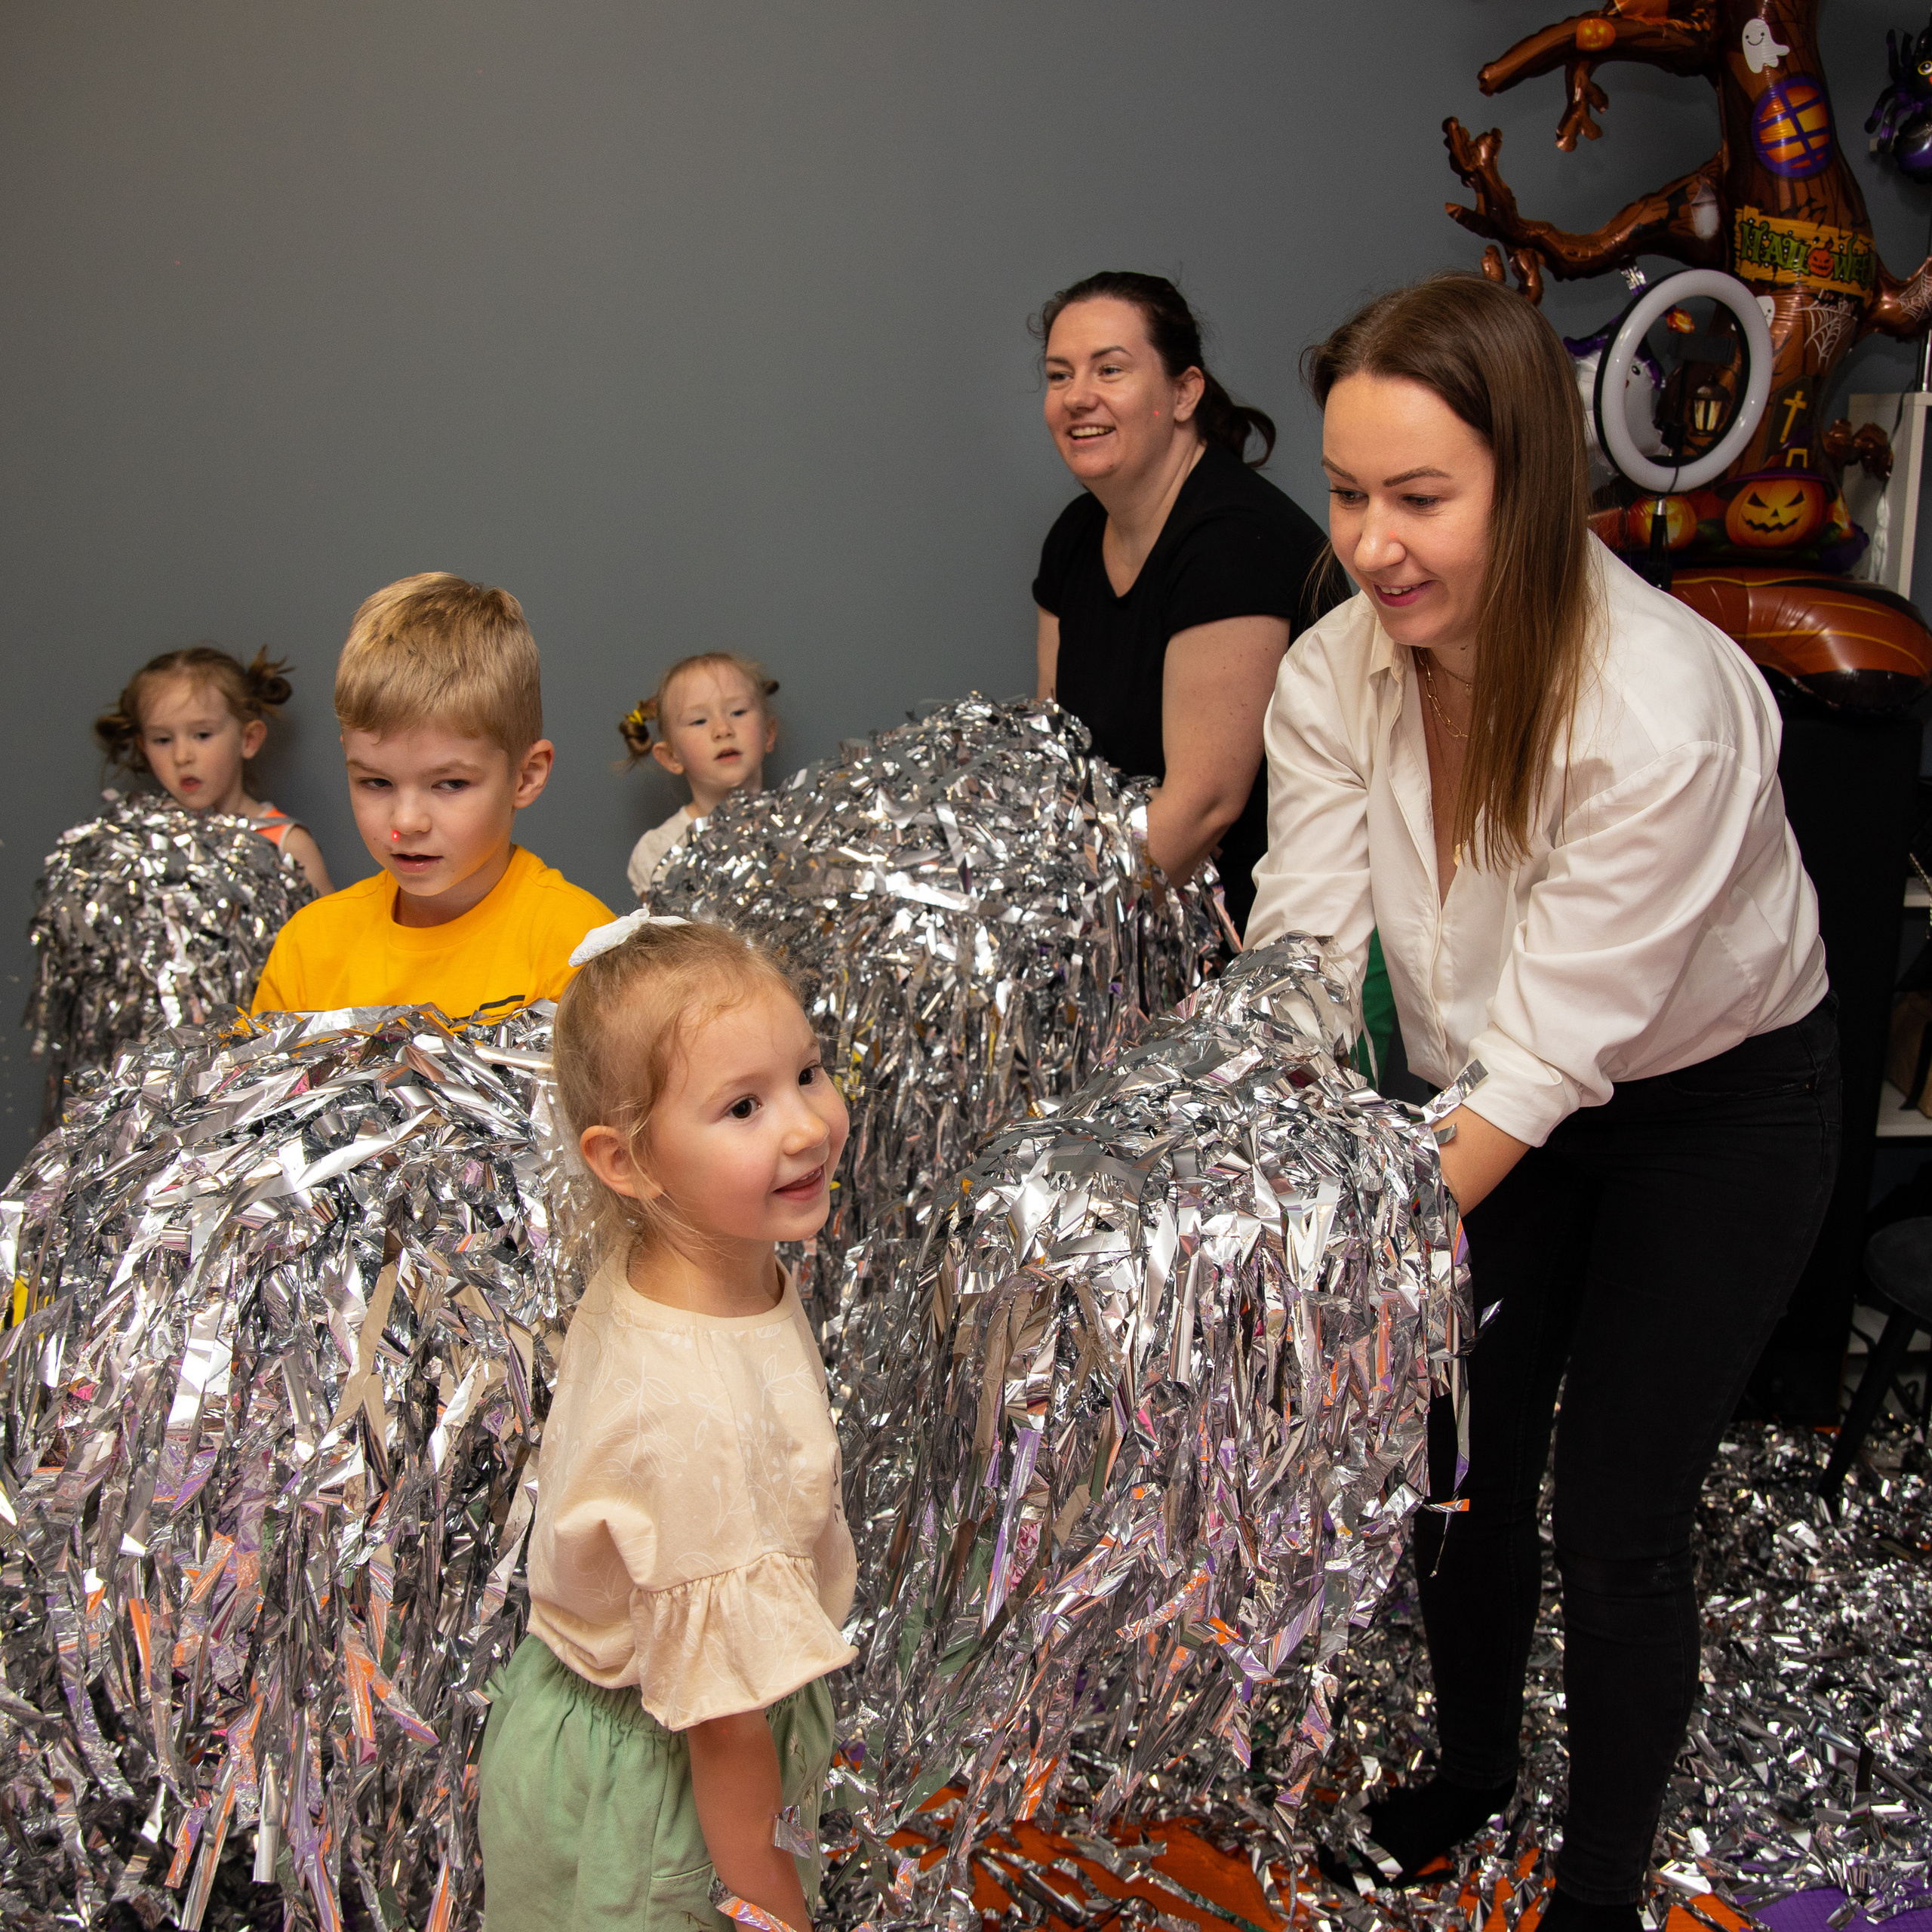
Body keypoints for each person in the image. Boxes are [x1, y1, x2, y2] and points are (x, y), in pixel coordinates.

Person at [1247, 274, 1838, 1930]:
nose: (1372, 545)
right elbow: (1305, 957)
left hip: (1709, 1109)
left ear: (1528, 479)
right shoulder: (1333, 672)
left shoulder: (1660, 709)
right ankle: (1470, 1772)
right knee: (1458, 1460)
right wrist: (1255, 1159)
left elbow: (1546, 1058)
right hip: (1485, 1093)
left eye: (1420, 497)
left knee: (1617, 1506)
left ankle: (1594, 1887)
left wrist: (1316, 1259)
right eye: (1347, 493)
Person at [478, 912, 854, 1932]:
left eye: (808, 1073)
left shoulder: (705, 1258)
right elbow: (725, 1733)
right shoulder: (690, 1408)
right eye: (743, 1106)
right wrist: (779, 1914)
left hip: (691, 1730)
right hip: (668, 1785)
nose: (805, 1127)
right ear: (629, 1162)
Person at [1030, 270, 1329, 937]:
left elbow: (1203, 809)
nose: (1078, 396)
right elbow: (1054, 758)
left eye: (1110, 369)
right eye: (1058, 375)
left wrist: (1046, 937)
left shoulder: (1233, 543)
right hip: (1136, 915)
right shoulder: (1073, 538)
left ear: (1185, 392)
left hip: (1262, 938)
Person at [251, 573, 611, 1018]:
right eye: (376, 782)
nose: (406, 823)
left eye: (450, 784)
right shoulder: (308, 948)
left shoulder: (579, 949)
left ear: (526, 776)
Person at [94, 645, 334, 894]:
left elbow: (330, 918)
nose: (181, 757)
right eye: (162, 740)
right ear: (144, 747)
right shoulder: (137, 839)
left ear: (248, 739)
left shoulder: (287, 844)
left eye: (202, 735)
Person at [621, 653, 781, 900]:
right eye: (698, 721)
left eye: (738, 712)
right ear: (672, 757)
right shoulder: (661, 849)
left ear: (768, 734)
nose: (723, 730)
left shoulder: (804, 826)